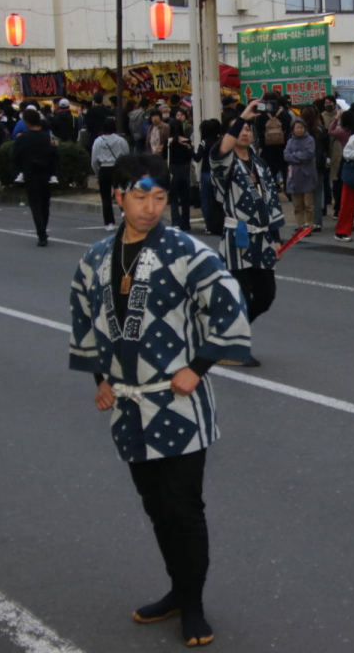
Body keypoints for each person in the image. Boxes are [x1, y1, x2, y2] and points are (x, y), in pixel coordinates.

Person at [68, 153, 251, 648]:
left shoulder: (187, 251)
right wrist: (99, 380)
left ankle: (192, 603)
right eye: (141, 196)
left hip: (178, 403)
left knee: (184, 507)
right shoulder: (95, 257)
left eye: (160, 197)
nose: (151, 207)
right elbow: (85, 317)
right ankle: (176, 589)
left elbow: (229, 302)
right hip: (127, 406)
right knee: (155, 506)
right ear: (119, 196)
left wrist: (200, 365)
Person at [211, 101, 285, 359]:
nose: (245, 132)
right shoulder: (224, 165)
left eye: (248, 129)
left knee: (265, 296)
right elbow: (221, 150)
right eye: (239, 129)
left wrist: (276, 238)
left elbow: (272, 200)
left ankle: (224, 334)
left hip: (263, 237)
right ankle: (233, 346)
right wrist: (243, 116)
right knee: (240, 294)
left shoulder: (259, 163)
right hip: (237, 237)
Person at [13, 108, 59, 246]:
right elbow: (55, 155)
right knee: (45, 204)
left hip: (30, 174)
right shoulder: (48, 137)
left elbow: (15, 156)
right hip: (46, 174)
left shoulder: (23, 139)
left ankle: (41, 234)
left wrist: (20, 169)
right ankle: (43, 229)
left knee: (35, 205)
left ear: (26, 122)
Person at [92, 119, 131, 231]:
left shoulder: (98, 141)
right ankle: (124, 211)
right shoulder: (121, 140)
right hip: (117, 167)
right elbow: (126, 155)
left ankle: (109, 223)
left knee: (105, 197)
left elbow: (94, 160)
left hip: (104, 168)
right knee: (120, 192)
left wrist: (97, 172)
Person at [284, 116, 317, 232]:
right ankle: (300, 225)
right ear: (293, 129)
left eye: (301, 127)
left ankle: (309, 225)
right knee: (297, 204)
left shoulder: (310, 140)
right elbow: (286, 155)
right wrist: (299, 157)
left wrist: (294, 156)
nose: (299, 130)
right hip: (294, 176)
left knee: (308, 204)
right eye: (297, 128)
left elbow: (308, 154)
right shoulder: (290, 141)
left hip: (307, 174)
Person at [167, 110, 194, 232]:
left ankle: (176, 222)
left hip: (173, 170)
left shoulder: (169, 142)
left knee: (173, 199)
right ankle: (186, 223)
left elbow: (164, 156)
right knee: (185, 199)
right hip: (185, 170)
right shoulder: (186, 141)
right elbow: (190, 156)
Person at [196, 119, 224, 236]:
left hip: (206, 173)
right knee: (219, 200)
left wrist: (188, 149)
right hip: (220, 173)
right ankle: (221, 224)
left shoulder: (204, 143)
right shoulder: (221, 142)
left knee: (206, 200)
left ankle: (209, 225)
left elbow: (197, 158)